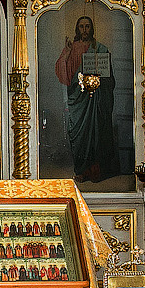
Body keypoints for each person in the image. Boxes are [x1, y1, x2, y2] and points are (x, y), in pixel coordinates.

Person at [53, 14, 121, 183]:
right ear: (78, 29)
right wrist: (67, 55)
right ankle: (82, 171)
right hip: (79, 100)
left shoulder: (101, 49)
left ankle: (96, 171)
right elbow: (65, 76)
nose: (84, 30)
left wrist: (100, 79)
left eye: (87, 26)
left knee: (97, 133)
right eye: (81, 26)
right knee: (80, 135)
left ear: (92, 29)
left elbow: (109, 78)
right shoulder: (72, 48)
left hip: (96, 100)